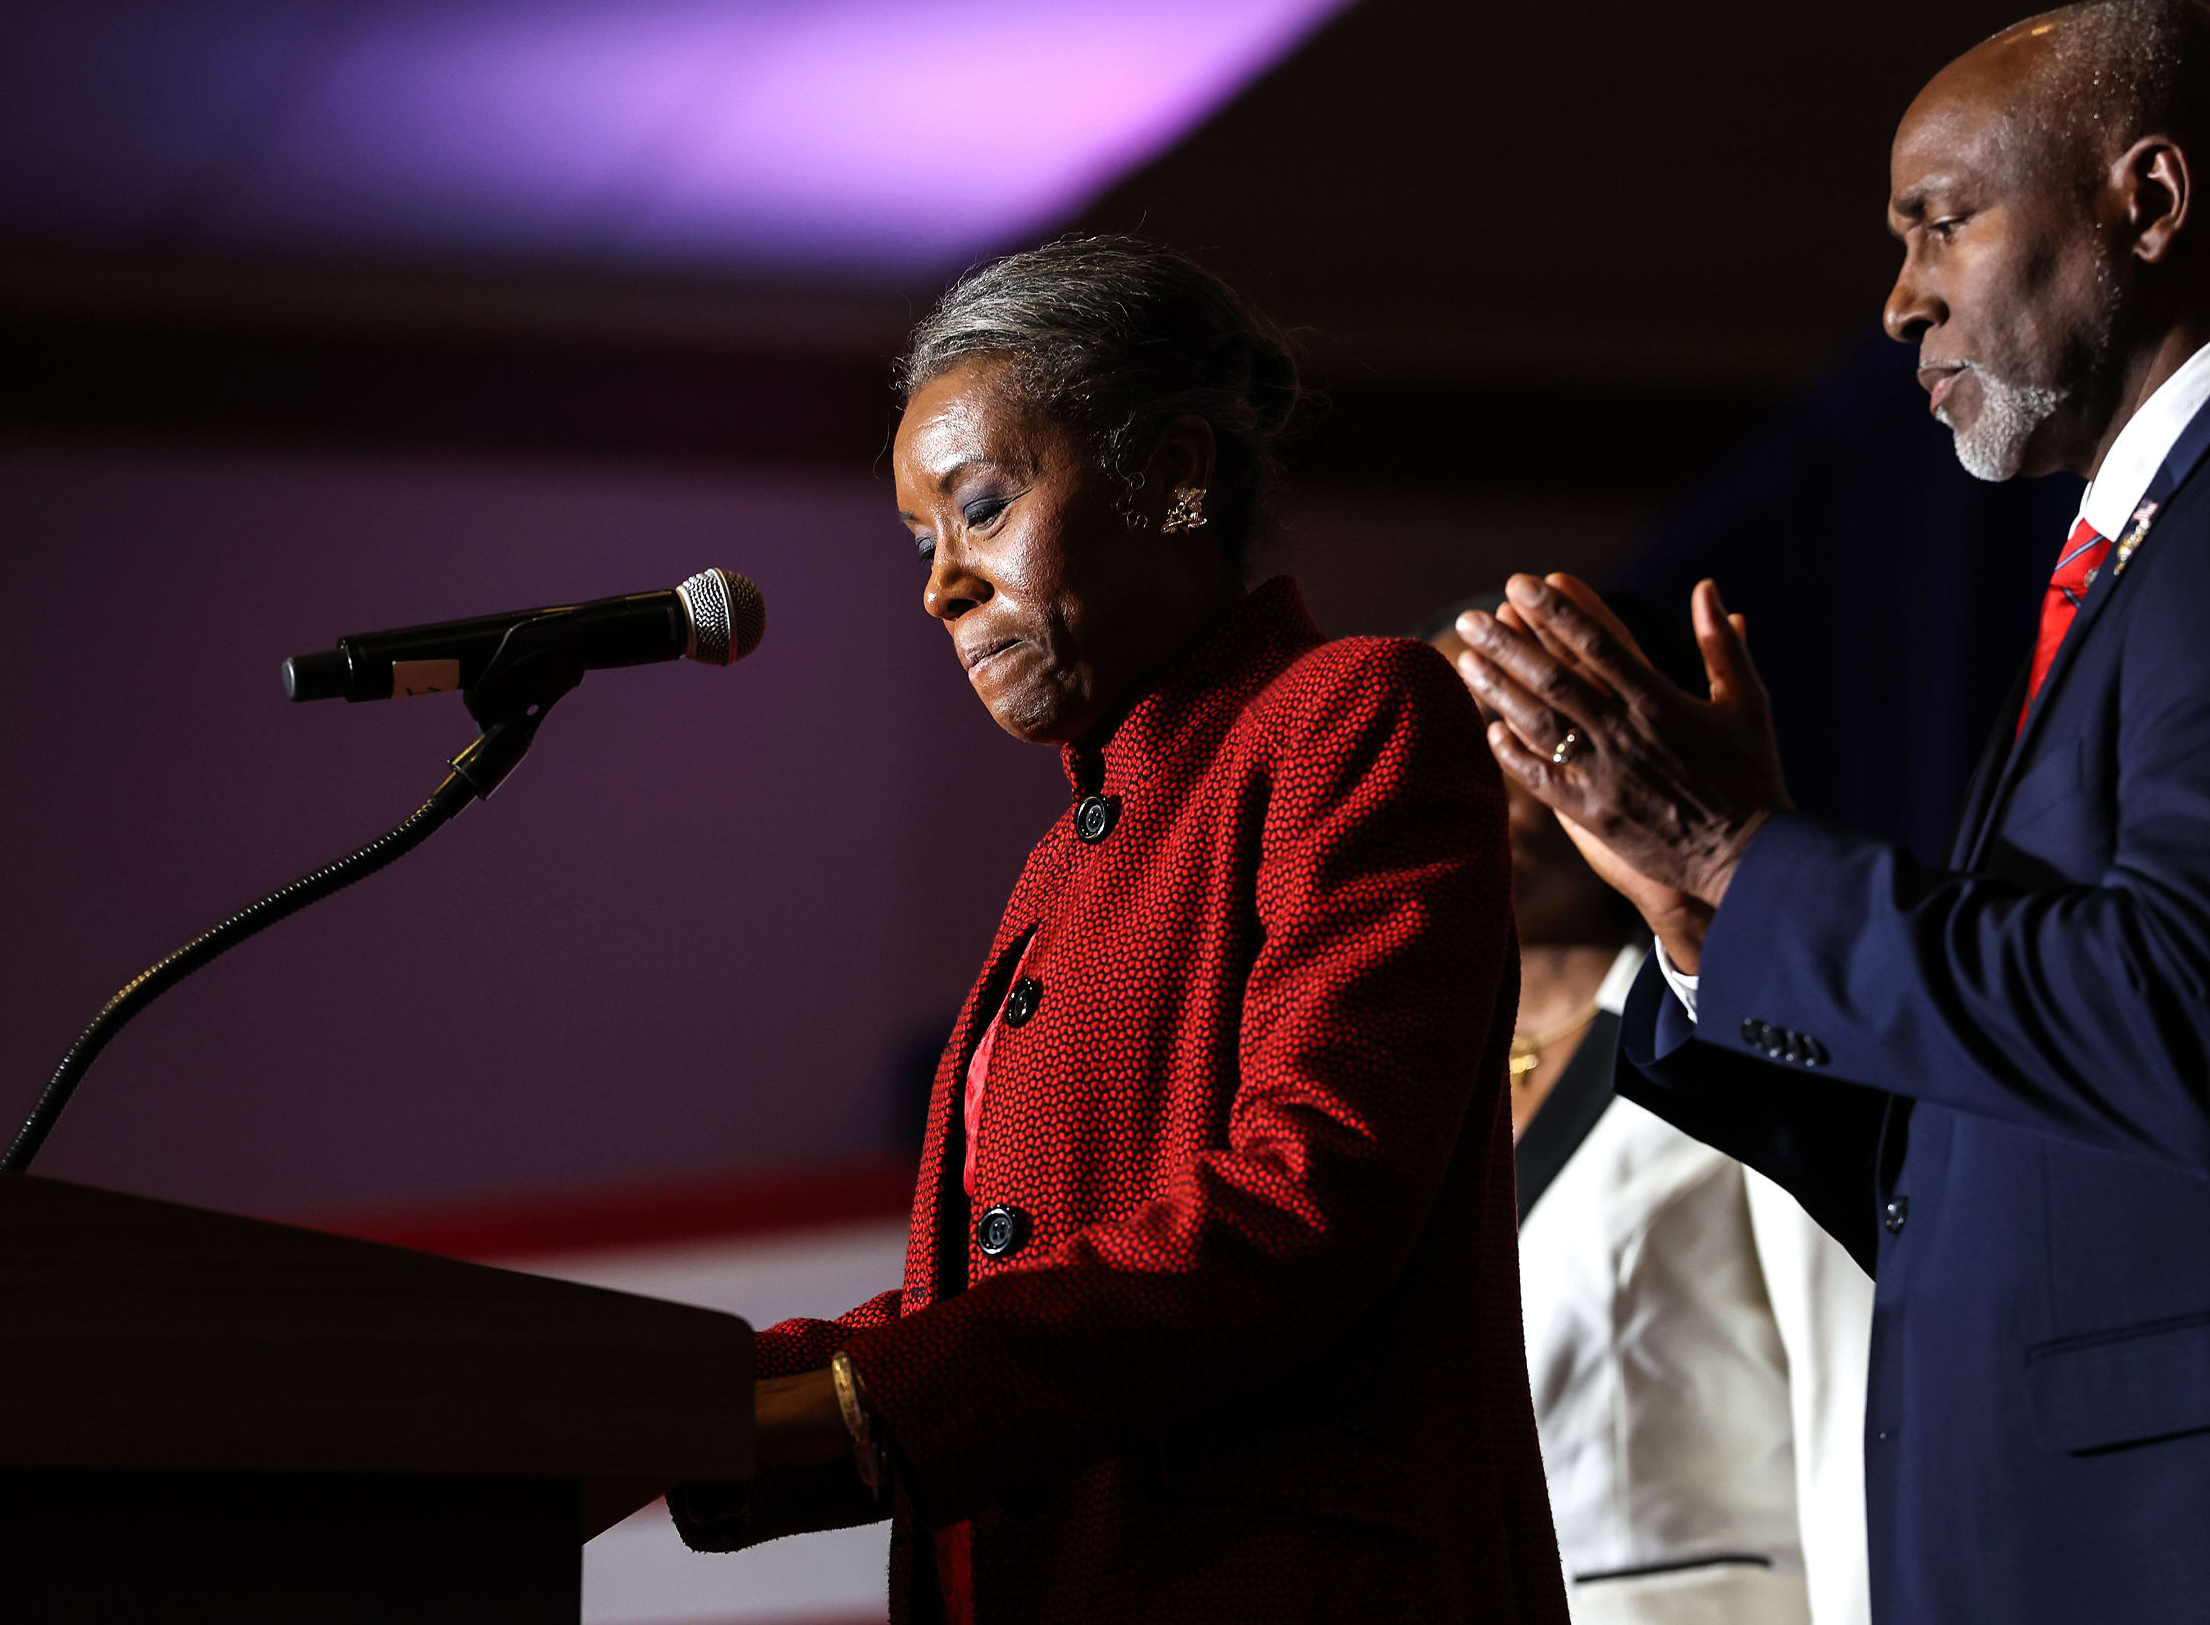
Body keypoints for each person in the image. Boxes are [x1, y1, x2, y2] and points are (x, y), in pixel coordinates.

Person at [1453, 0, 2210, 1624]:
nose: (1899, 303)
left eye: (1940, 224)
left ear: (2147, 204)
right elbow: (1988, 1141)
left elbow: (2185, 1017)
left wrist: (1738, 852)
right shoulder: (2166, 534)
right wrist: (1705, 919)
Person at [669, 237, 1568, 1625]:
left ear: (1173, 474)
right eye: (925, 542)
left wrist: (842, 1410)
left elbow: (1299, 1201)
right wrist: (696, 1391)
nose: (940, 588)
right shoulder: (1070, 854)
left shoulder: (1356, 715)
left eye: (980, 508)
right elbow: (1024, 1276)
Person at [1426, 597, 1872, 1625]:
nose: (1485, 778)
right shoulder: (1387, 1097)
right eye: (1454, 739)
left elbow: (1849, 1391)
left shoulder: (1725, 1029)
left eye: (1528, 731)